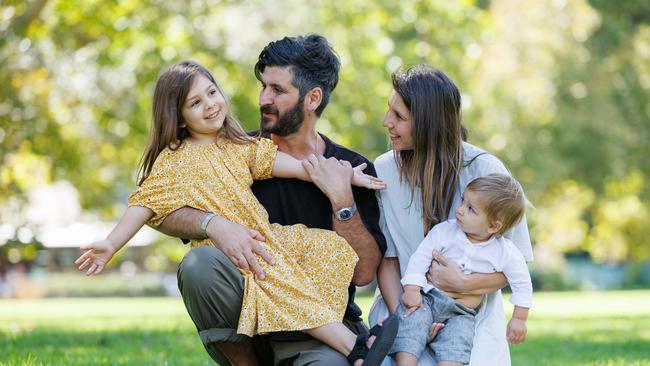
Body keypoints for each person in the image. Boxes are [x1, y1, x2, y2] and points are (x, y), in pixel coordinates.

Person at [75, 60, 397, 365]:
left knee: (325, 249)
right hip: (235, 257)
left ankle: (344, 344)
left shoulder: (238, 146)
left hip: (264, 240)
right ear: (180, 117)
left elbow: (298, 168)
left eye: (212, 93)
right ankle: (355, 347)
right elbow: (145, 204)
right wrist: (112, 244)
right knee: (283, 287)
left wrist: (343, 177)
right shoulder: (174, 161)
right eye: (195, 103)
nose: (210, 104)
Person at [152, 35, 388, 365]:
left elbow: (363, 275)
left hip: (320, 330)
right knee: (197, 265)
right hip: (250, 328)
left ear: (312, 98)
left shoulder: (351, 168)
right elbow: (160, 210)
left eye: (278, 90)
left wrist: (342, 201)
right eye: (263, 86)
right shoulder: (232, 152)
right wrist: (213, 224)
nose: (264, 98)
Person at [369, 65, 534, 366]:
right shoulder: (383, 171)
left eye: (400, 117)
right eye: (388, 110)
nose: (386, 122)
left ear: (429, 123)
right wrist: (409, 316)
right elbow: (388, 260)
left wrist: (464, 284)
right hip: (403, 305)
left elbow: (515, 263)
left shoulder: (487, 171)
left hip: (470, 317)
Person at [391, 174, 533, 366]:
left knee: (457, 346)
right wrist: (412, 289)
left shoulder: (505, 252)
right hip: (428, 299)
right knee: (411, 326)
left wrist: (519, 319)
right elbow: (421, 257)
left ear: (493, 226)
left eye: (470, 209)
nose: (459, 210)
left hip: (462, 313)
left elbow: (522, 284)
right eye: (462, 201)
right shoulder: (444, 231)